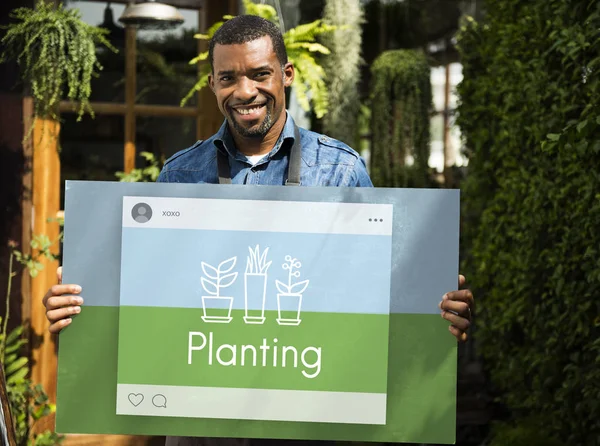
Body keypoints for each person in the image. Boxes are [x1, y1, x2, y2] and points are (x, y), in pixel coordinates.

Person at [42, 15, 474, 446]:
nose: (245, 91)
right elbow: (149, 295)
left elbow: (379, 292)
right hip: (202, 423)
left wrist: (433, 311)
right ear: (212, 84)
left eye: (260, 74)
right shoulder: (181, 174)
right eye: (228, 77)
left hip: (310, 422)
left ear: (285, 75)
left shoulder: (340, 170)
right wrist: (82, 309)